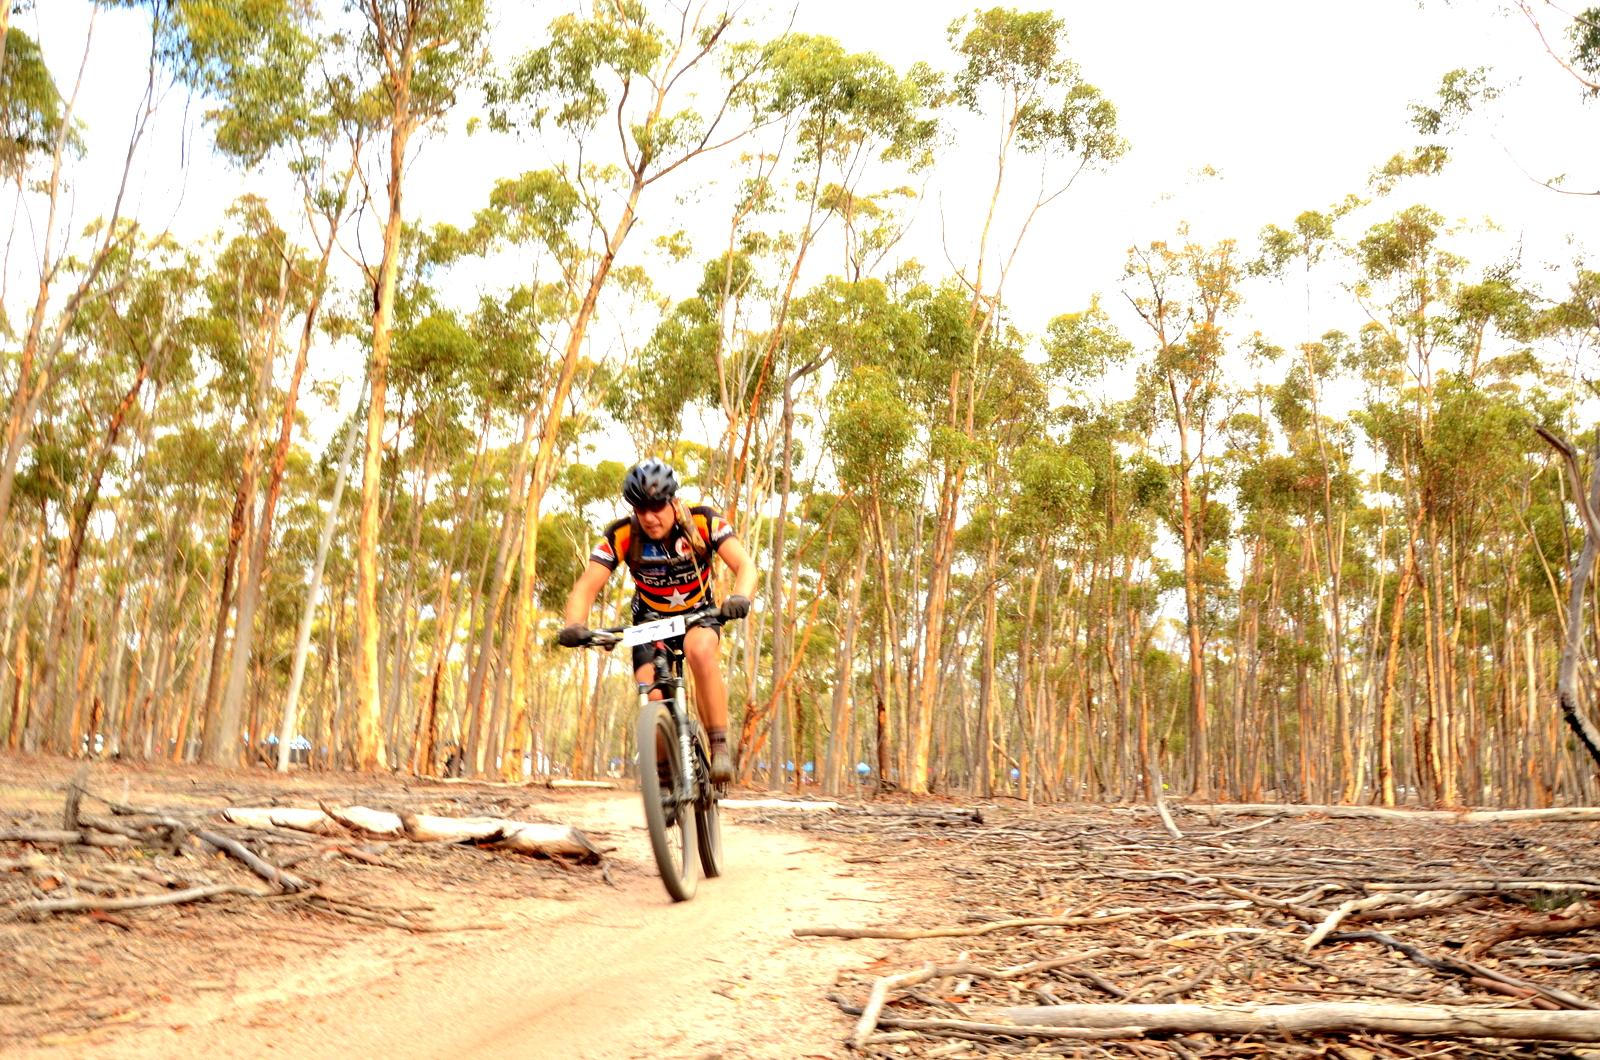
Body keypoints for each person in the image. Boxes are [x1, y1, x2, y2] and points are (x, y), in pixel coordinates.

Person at [558, 459, 756, 784]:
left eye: (656, 507)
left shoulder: (704, 521)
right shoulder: (623, 534)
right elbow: (586, 585)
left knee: (701, 650)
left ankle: (719, 746)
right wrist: (575, 624)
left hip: (698, 614)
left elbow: (745, 565)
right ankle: (664, 779)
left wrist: (740, 597)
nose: (649, 517)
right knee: (650, 691)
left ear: (673, 502)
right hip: (649, 621)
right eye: (640, 509)